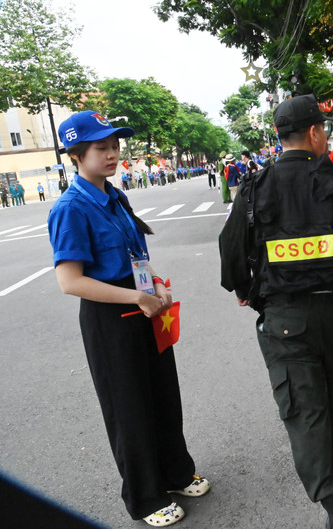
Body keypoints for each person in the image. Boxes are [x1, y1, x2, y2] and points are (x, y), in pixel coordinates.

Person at [219, 94, 333, 529]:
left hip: (283, 321)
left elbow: (231, 253)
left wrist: (250, 292)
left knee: (305, 411)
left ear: (280, 137)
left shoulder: (253, 188)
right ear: (317, 133)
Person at [47, 111, 207, 527]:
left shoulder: (117, 196)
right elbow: (70, 281)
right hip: (109, 319)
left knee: (162, 396)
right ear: (77, 154)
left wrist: (154, 282)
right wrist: (136, 294)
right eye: (103, 147)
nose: (113, 153)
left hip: (145, 308)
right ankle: (145, 496)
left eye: (116, 145)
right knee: (129, 408)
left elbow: (138, 253)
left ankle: (175, 472)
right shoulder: (71, 207)